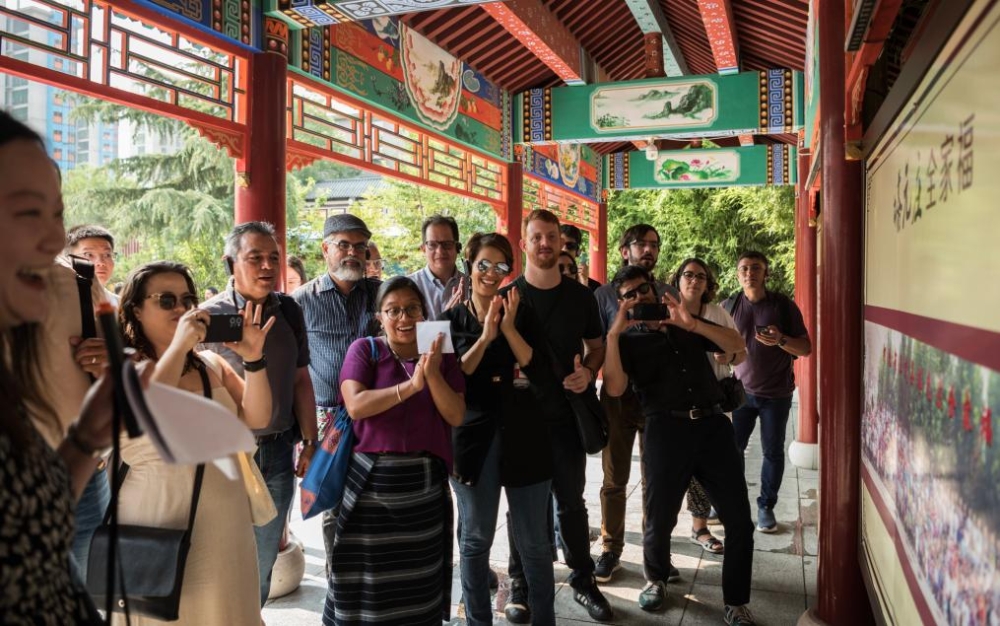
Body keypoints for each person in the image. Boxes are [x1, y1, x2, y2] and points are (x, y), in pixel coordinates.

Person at [0, 108, 126, 623]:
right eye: (29, 213)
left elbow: (30, 531)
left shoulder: (75, 284)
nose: (54, 239)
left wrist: (85, 439)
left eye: (57, 215)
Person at [117, 260, 274, 625]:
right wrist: (180, 344)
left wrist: (254, 359)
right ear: (136, 310)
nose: (181, 309)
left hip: (225, 521)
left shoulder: (211, 364)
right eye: (166, 300)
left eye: (187, 300)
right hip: (157, 519)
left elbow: (258, 418)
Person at [602, 265, 756, 624]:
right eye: (629, 296)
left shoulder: (685, 321)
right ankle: (656, 579)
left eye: (643, 290)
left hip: (713, 426)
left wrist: (692, 324)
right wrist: (613, 334)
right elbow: (614, 387)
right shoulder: (626, 340)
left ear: (654, 289)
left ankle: (736, 602)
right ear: (621, 303)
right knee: (659, 517)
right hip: (664, 430)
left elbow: (737, 345)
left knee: (739, 520)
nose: (639, 298)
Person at [324, 276, 465, 626]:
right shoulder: (365, 349)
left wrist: (431, 374)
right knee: (368, 582)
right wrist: (411, 386)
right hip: (370, 491)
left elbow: (456, 414)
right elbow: (356, 405)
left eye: (412, 309)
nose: (404, 318)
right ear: (380, 317)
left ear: (424, 313)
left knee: (419, 582)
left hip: (423, 493)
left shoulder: (441, 351)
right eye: (394, 310)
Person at [503, 209, 613, 622]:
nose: (545, 244)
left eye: (551, 236)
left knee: (571, 503)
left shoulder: (581, 297)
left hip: (566, 417)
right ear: (524, 244)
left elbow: (597, 347)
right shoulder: (507, 297)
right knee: (522, 507)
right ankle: (520, 582)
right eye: (537, 237)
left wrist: (589, 372)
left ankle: (583, 580)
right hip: (520, 420)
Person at [200, 221, 317, 606]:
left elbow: (301, 378)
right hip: (224, 457)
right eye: (255, 258)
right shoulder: (209, 317)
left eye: (273, 258)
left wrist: (310, 440)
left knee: (263, 558)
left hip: (279, 451)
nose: (267, 266)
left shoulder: (289, 310)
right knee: (219, 556)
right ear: (230, 262)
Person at [444, 233, 556, 626]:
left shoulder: (521, 312)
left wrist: (507, 328)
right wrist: (487, 337)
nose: (492, 273)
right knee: (475, 539)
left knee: (535, 543)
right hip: (472, 441)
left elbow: (541, 371)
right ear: (469, 265)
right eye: (484, 265)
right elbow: (454, 377)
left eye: (501, 266)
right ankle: (478, 621)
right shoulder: (451, 320)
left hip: (526, 434)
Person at [292, 213, 381, 575]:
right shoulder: (301, 301)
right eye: (343, 245)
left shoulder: (379, 293)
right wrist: (306, 438)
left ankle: (374, 574)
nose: (352, 253)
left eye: (359, 246)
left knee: (376, 496)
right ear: (325, 249)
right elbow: (294, 371)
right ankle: (338, 577)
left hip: (377, 412)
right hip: (329, 418)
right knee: (333, 501)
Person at [591, 223, 680, 583]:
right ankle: (610, 548)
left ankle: (656, 551)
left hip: (660, 395)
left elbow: (682, 341)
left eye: (654, 245)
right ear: (624, 250)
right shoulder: (602, 296)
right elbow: (595, 345)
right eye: (641, 244)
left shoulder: (668, 293)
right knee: (614, 478)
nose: (648, 250)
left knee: (656, 479)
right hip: (618, 396)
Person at [722, 251, 811, 533]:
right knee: (731, 450)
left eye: (756, 268)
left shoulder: (783, 306)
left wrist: (781, 339)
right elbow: (716, 347)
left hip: (776, 394)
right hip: (740, 393)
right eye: (744, 269)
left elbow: (805, 348)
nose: (750, 273)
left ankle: (765, 506)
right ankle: (729, 502)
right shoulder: (729, 306)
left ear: (766, 273)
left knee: (772, 452)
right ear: (738, 274)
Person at [670, 258, 746, 555]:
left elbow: (741, 352)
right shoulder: (667, 312)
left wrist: (730, 357)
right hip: (675, 405)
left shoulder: (717, 313)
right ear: (678, 280)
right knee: (669, 475)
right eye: (688, 275)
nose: (694, 280)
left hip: (712, 405)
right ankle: (660, 536)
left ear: (708, 283)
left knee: (705, 470)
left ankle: (700, 527)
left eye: (700, 276)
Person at [408, 214, 465, 320]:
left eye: (447, 244)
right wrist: (445, 320)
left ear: (457, 247)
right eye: (432, 245)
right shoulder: (408, 287)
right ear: (423, 249)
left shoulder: (472, 286)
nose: (440, 251)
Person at [66, 224, 119, 306]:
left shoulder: (122, 305)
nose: (100, 263)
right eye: (88, 254)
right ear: (68, 260)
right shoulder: (56, 305)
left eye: (107, 255)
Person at [560, 223, 600, 291]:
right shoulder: (545, 282)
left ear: (578, 251)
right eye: (560, 245)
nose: (564, 249)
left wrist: (584, 282)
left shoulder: (595, 287)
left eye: (570, 246)